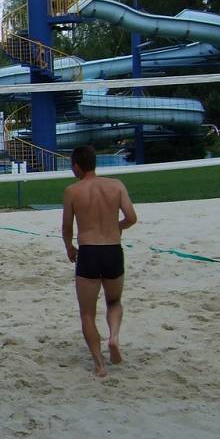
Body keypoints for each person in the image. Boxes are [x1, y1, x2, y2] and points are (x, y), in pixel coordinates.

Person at [62, 145, 137, 377]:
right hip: (113, 249)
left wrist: (70, 248)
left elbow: (66, 227)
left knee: (87, 313)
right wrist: (117, 228)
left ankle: (99, 364)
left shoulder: (73, 191)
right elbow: (132, 218)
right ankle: (113, 337)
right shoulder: (116, 185)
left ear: (77, 166)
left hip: (89, 251)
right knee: (114, 301)